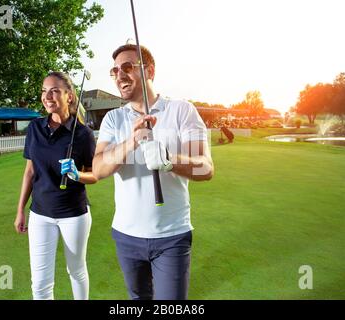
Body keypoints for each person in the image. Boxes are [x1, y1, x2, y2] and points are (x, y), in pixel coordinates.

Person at [92, 44, 214, 300]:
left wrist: (169, 160)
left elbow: (205, 167)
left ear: (149, 71)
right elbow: (98, 167)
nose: (120, 75)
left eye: (127, 67)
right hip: (126, 235)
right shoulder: (113, 118)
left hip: (172, 236)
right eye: (114, 71)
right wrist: (132, 141)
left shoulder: (182, 110)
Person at [14, 71, 97, 300]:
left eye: (54, 91)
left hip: (74, 215)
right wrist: (20, 210)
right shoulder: (35, 128)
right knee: (40, 282)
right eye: (44, 91)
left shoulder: (83, 134)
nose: (47, 96)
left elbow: (95, 175)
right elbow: (29, 172)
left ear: (69, 96)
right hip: (40, 214)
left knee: (76, 270)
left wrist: (77, 174)